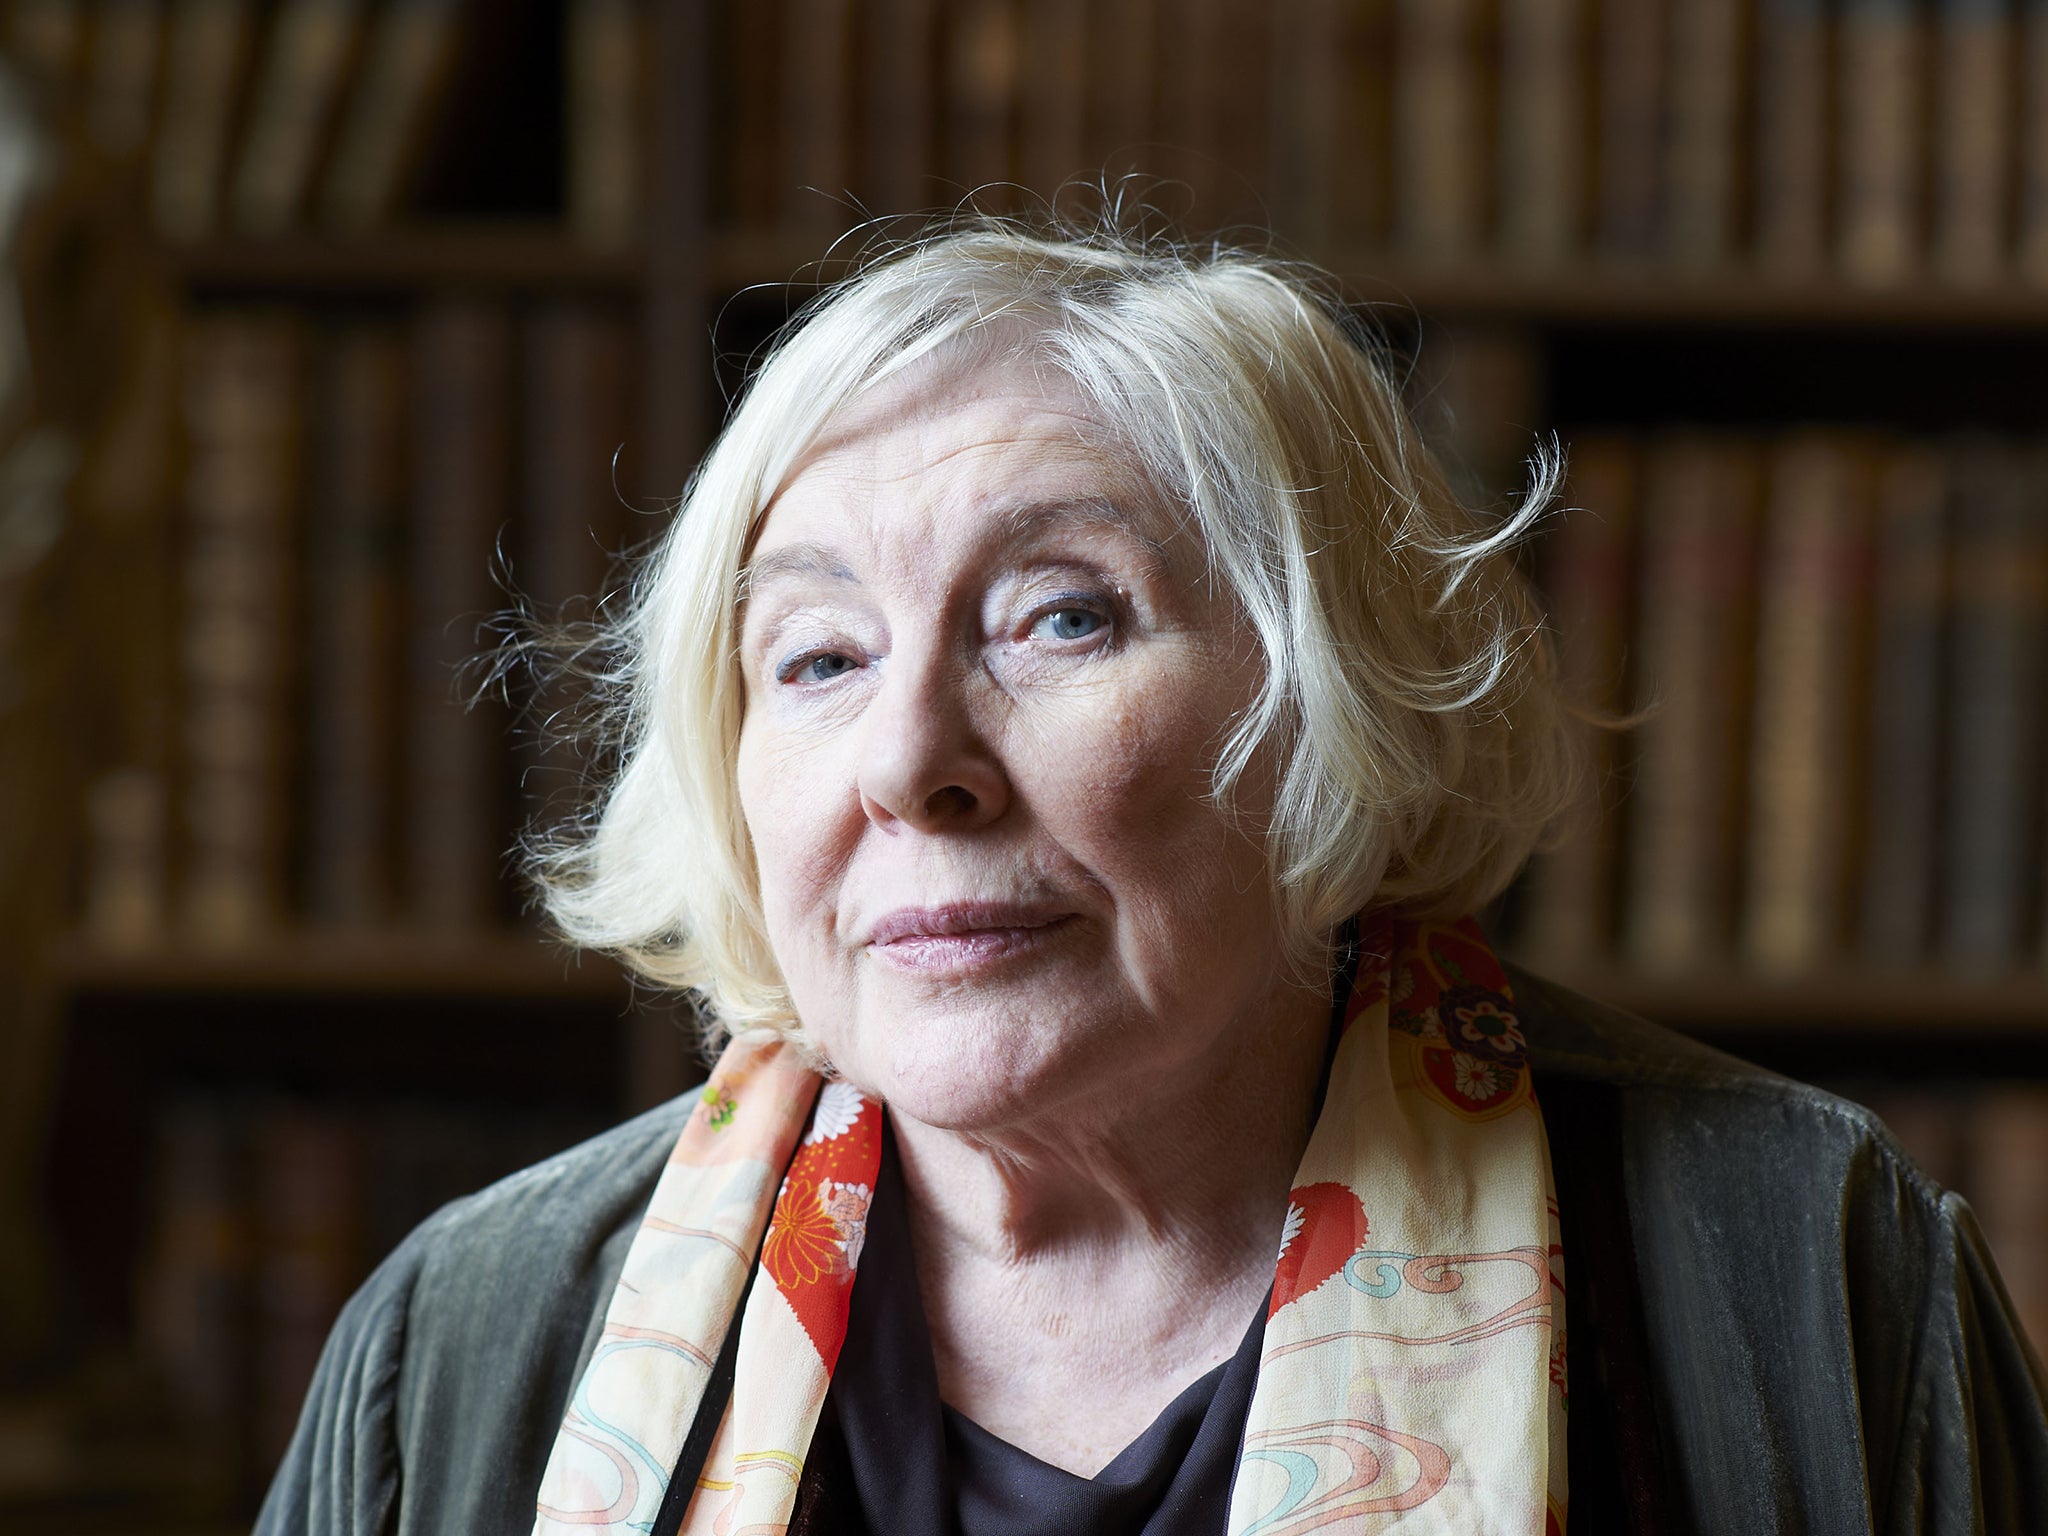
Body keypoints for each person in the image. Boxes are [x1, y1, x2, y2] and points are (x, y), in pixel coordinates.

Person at [257, 223, 2048, 1536]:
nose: (906, 762)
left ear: (1326, 699)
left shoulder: (1796, 1272)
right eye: (815, 658)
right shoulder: (470, 1343)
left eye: (1059, 616)